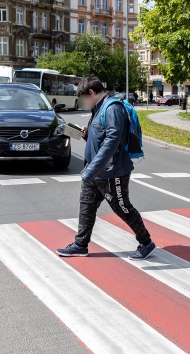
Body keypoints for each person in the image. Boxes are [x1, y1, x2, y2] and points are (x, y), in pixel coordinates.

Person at [56, 77, 157, 260]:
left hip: (113, 171)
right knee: (86, 206)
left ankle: (146, 242)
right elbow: (101, 140)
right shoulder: (98, 108)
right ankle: (80, 245)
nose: (84, 103)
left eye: (84, 98)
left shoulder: (112, 108)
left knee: (122, 207)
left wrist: (91, 169)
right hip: (95, 172)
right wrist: (87, 136)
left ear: (93, 93)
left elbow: (113, 141)